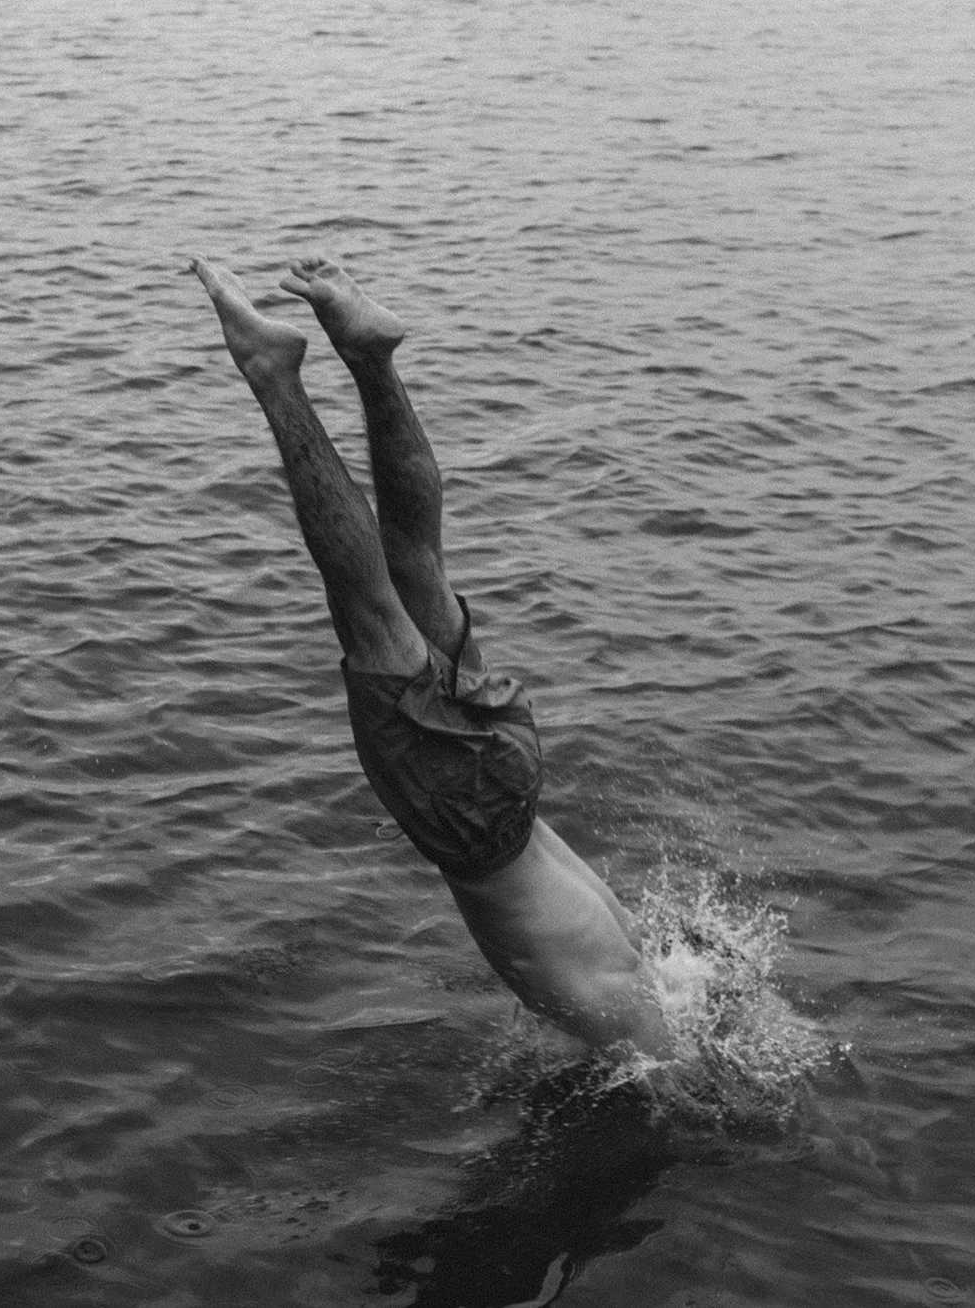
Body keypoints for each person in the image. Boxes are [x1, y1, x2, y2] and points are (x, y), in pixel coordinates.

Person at [191, 256, 668, 1054]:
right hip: (472, 816)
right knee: (371, 611)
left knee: (417, 561)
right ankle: (274, 376)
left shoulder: (652, 971)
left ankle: (371, 355)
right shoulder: (643, 1036)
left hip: (514, 774)